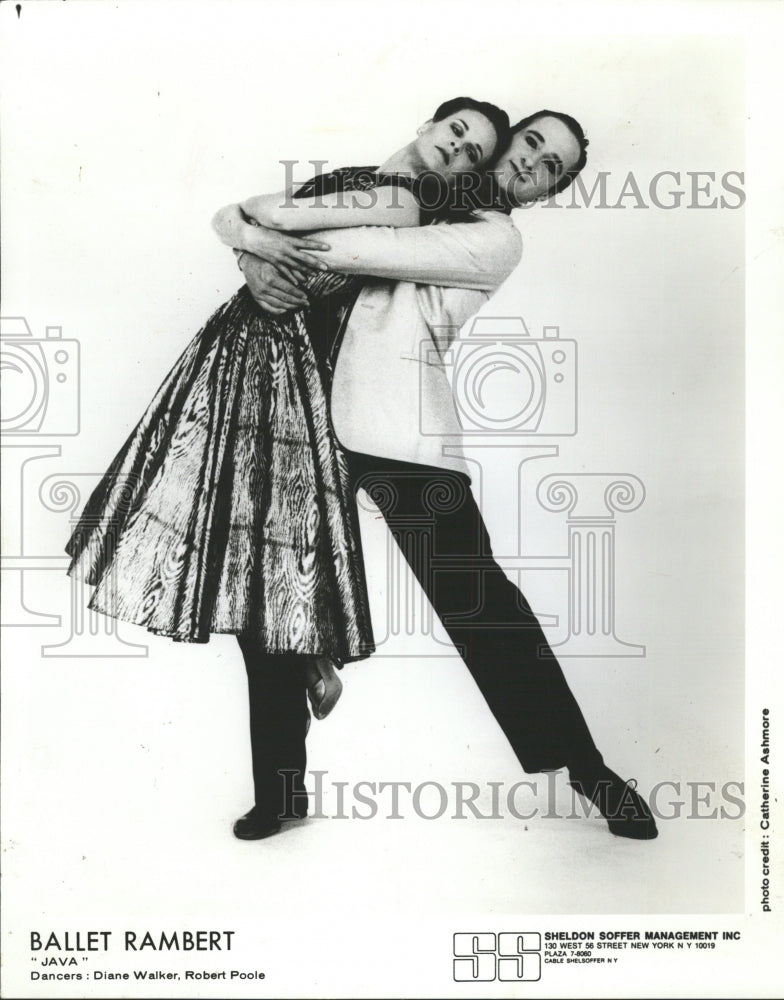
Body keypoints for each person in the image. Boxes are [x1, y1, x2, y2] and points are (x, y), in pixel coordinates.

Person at [65, 98, 511, 833]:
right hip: (235, 358)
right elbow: (246, 219)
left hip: (304, 385)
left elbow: (268, 220)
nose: (457, 151)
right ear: (429, 124)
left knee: (276, 575)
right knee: (239, 567)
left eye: (473, 153)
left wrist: (251, 237)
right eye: (456, 132)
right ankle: (285, 778)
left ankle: (289, 755)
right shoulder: (353, 177)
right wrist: (245, 247)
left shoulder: (406, 204)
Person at [227, 111, 659, 841]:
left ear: (550, 191)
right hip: (289, 406)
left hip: (396, 425)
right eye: (531, 144)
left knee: (482, 604)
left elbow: (339, 242)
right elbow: (270, 222)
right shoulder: (392, 180)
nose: (533, 165)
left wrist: (257, 238)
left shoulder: (493, 236)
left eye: (552, 167)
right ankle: (280, 792)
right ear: (504, 139)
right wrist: (251, 256)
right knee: (270, 598)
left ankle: (590, 771)